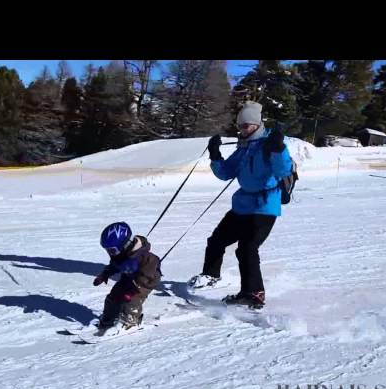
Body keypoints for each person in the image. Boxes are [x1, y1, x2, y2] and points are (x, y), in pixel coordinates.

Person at [188, 101, 293, 309]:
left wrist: (279, 149)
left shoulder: (269, 143)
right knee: (217, 240)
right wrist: (215, 154)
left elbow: (283, 170)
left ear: (256, 124)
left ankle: (253, 294)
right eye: (240, 126)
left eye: (246, 126)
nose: (243, 130)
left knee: (247, 248)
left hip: (264, 205)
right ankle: (210, 276)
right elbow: (225, 173)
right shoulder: (244, 147)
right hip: (242, 204)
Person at [93, 222, 162, 330]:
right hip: (129, 278)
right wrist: (104, 274)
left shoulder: (145, 256)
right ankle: (108, 320)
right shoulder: (120, 254)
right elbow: (115, 265)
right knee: (113, 296)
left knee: (131, 300)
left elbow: (149, 273)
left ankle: (129, 322)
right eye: (107, 250)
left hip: (145, 281)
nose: (110, 253)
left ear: (124, 244)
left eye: (112, 250)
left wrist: (134, 289)